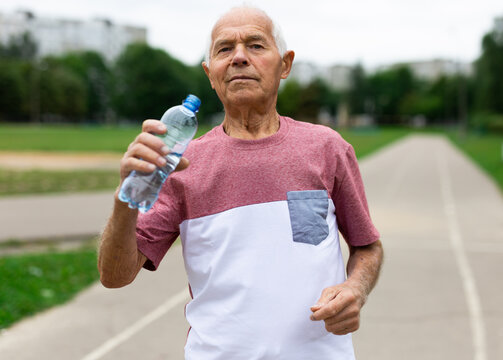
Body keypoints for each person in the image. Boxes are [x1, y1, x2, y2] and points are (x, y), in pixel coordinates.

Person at [98, 5, 383, 360]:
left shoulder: (327, 148)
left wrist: (356, 289)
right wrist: (125, 200)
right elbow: (115, 275)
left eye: (256, 45)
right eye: (224, 49)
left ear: (285, 64)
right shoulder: (180, 164)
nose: (239, 58)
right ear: (210, 73)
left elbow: (368, 247)